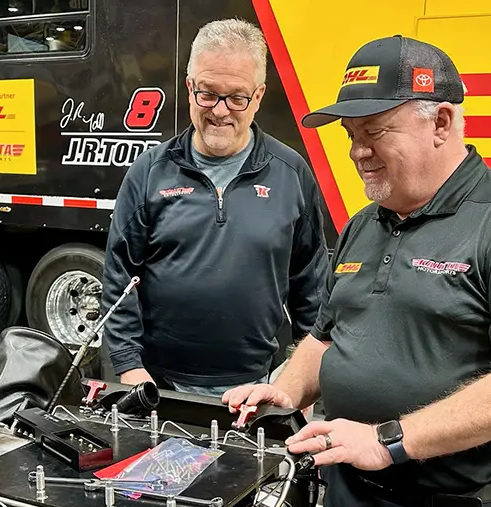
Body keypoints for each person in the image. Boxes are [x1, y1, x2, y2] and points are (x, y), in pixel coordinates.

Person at [223, 35, 491, 507]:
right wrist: (286, 390)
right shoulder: (363, 224)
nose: (357, 152)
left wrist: (389, 441)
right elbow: (327, 338)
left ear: (441, 121)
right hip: (346, 492)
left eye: (374, 131)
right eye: (351, 135)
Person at [102, 18, 329, 397]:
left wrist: (302, 381)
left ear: (258, 96)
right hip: (162, 387)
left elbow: (311, 283)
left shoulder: (291, 173)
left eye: (237, 97)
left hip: (261, 387)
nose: (220, 111)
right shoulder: (149, 173)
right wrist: (129, 366)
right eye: (208, 93)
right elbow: (120, 277)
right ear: (190, 88)